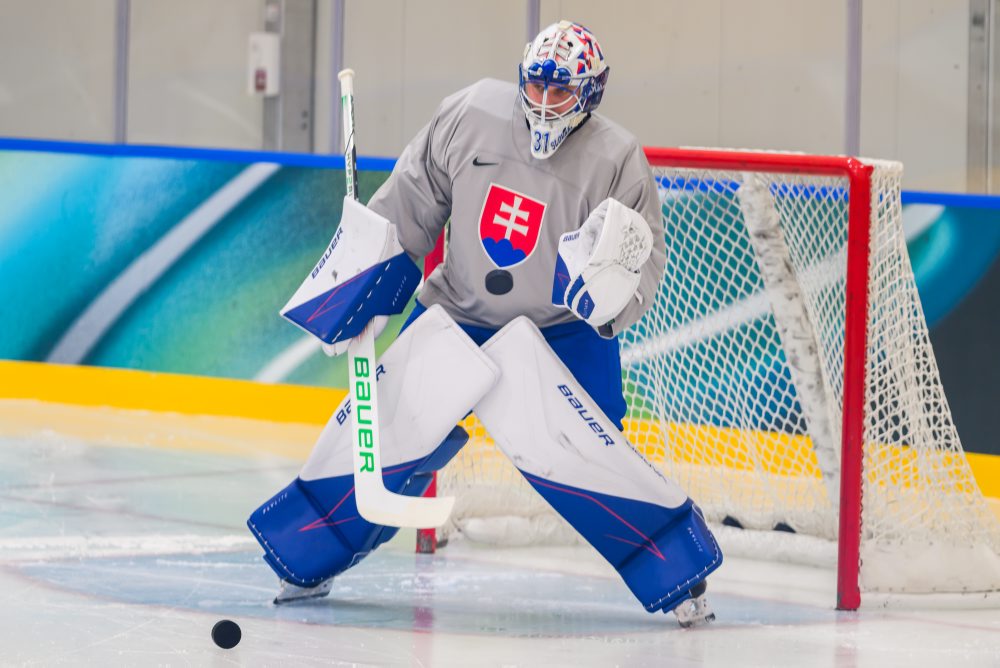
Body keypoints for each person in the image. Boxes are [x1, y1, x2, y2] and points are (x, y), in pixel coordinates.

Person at [248, 20, 721, 627]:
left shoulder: (617, 158)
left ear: (591, 93)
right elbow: (409, 202)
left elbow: (643, 260)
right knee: (387, 428)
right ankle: (305, 557)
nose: (544, 102)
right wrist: (360, 282)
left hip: (561, 329)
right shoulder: (470, 112)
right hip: (459, 310)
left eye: (561, 91)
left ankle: (680, 576)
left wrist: (609, 299)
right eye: (536, 85)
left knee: (590, 456)